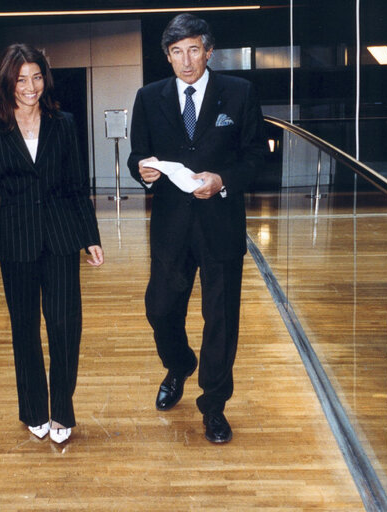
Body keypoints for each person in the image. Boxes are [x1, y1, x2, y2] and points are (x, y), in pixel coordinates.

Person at [127, 14, 266, 443]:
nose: (185, 60)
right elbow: (138, 155)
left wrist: (222, 179)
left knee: (220, 319)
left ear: (208, 51)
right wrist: (141, 171)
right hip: (171, 224)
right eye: (176, 52)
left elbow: (255, 158)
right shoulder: (149, 98)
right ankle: (179, 364)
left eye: (193, 50)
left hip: (220, 222)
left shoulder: (239, 94)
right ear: (167, 56)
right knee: (160, 308)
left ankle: (214, 405)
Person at [0, 43, 104, 444]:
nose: (30, 86)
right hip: (16, 241)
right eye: (21, 79)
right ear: (7, 82)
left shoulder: (63, 123)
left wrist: (90, 237)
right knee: (25, 328)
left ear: (45, 79)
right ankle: (33, 409)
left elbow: (78, 187)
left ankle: (62, 409)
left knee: (65, 326)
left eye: (37, 77)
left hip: (62, 237)